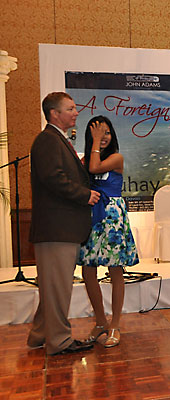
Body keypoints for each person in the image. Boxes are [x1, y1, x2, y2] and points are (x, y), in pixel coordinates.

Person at [27, 92, 100, 355]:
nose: (76, 112)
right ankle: (59, 341)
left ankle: (39, 335)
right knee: (58, 288)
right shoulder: (48, 140)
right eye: (70, 108)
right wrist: (84, 194)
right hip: (57, 228)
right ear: (54, 113)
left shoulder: (57, 139)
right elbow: (53, 178)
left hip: (60, 228)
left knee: (53, 288)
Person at [79, 115, 139, 348]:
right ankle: (100, 322)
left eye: (106, 132)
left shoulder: (116, 157)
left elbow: (94, 168)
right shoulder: (84, 159)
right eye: (97, 132)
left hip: (112, 216)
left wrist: (94, 142)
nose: (103, 137)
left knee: (115, 270)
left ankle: (115, 324)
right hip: (92, 215)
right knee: (87, 269)